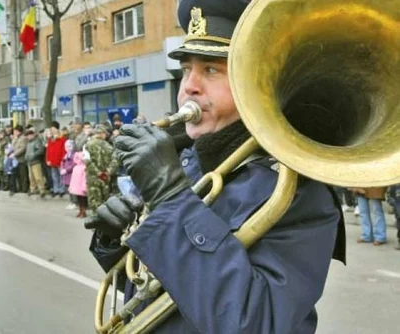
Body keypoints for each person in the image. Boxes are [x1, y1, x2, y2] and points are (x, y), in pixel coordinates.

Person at [84, 0, 346, 332]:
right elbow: (159, 294)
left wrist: (170, 200)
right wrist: (118, 244)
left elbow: (253, 324)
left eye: (211, 69)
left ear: (255, 84)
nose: (189, 86)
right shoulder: (189, 160)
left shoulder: (298, 194)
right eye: (185, 70)